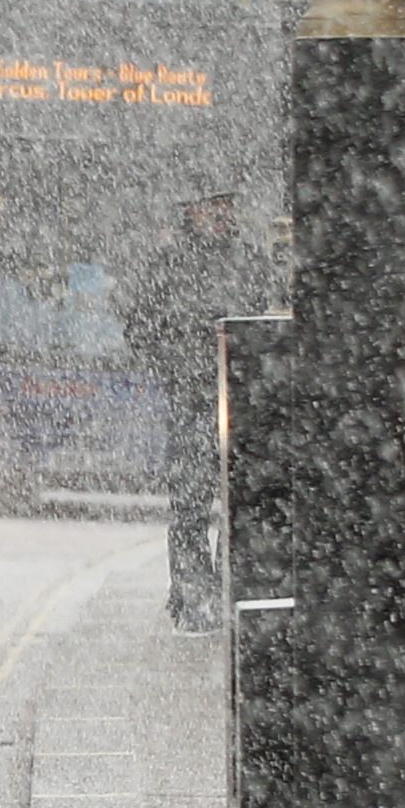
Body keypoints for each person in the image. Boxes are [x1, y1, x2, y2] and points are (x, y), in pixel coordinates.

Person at [119, 190, 267, 631]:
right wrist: (175, 364)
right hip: (191, 399)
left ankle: (229, 593)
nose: (220, 216)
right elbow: (139, 325)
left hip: (243, 401)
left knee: (241, 504)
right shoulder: (168, 266)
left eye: (226, 207)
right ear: (192, 212)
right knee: (189, 502)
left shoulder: (250, 263)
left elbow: (266, 322)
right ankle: (192, 595)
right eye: (210, 207)